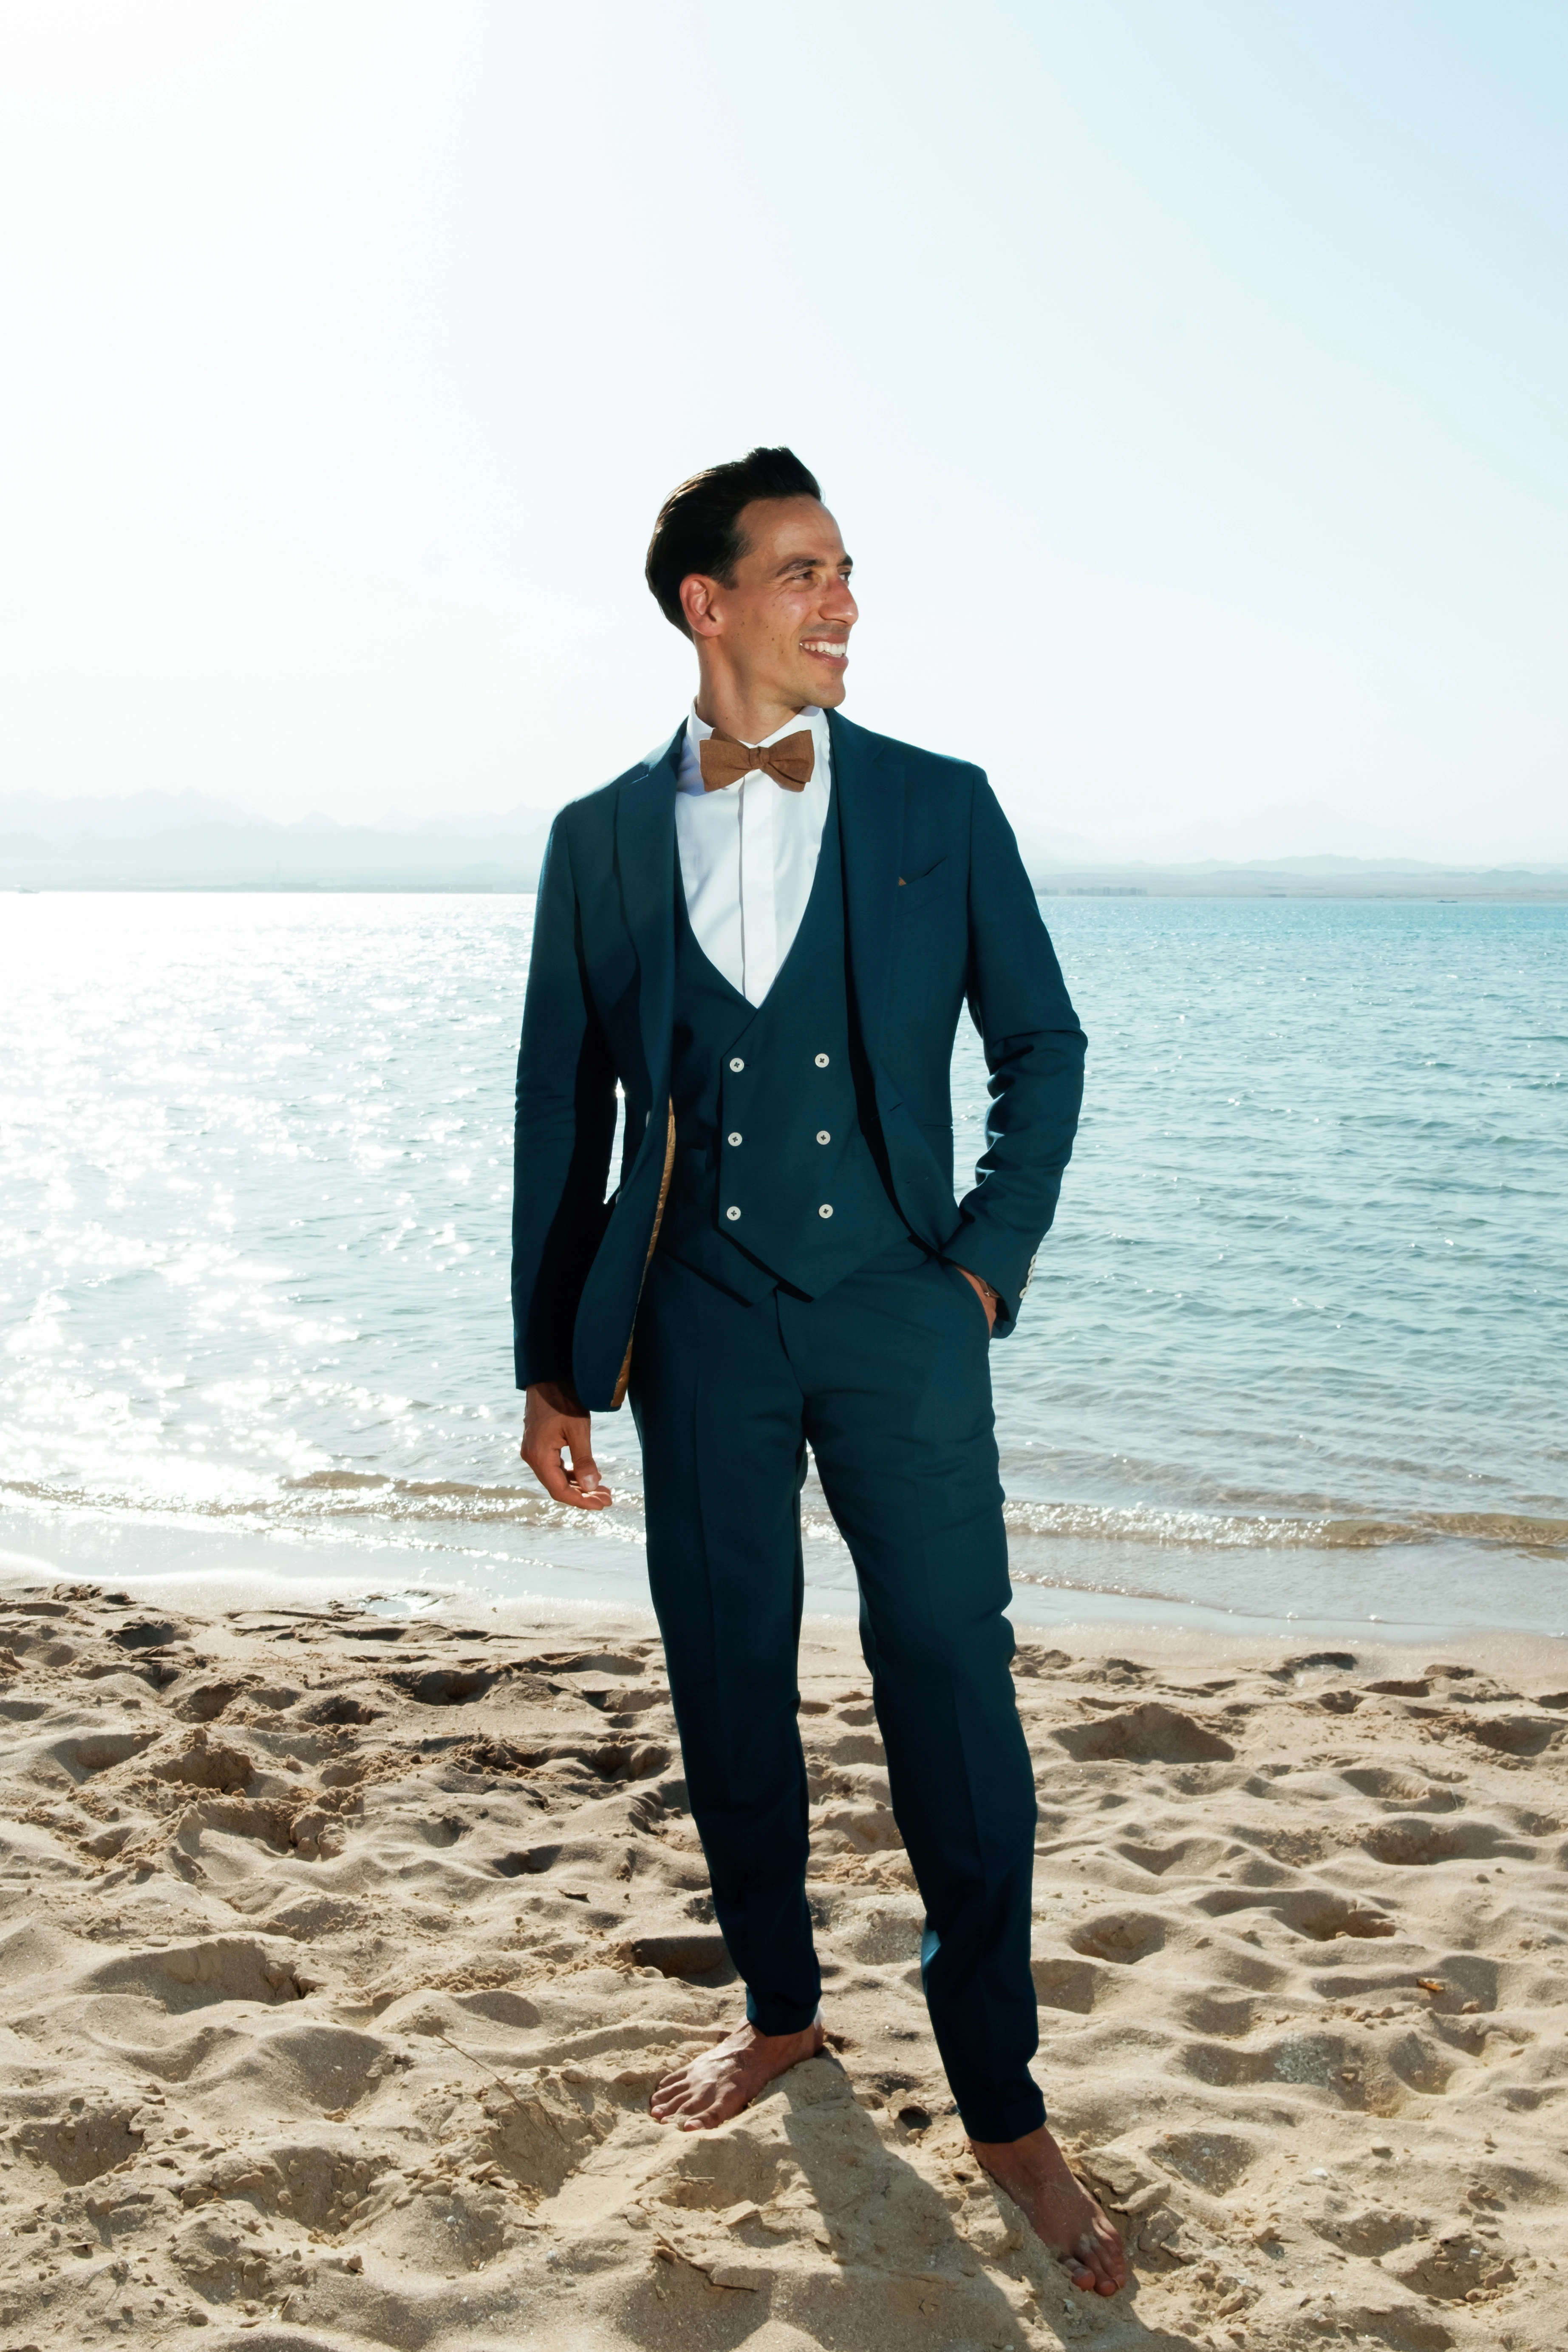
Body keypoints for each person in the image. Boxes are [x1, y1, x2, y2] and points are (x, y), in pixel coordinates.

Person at [513, 448, 1122, 2295]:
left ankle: (1004, 2102)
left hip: (900, 1315)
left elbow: (1043, 1045)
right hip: (694, 1320)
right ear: (709, 603)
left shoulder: (942, 802)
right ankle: (780, 2006)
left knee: (951, 1684)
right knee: (726, 1676)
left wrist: (983, 1272)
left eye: (847, 568)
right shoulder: (597, 837)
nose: (841, 601)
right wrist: (552, 1367)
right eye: (802, 571)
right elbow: (564, 1113)